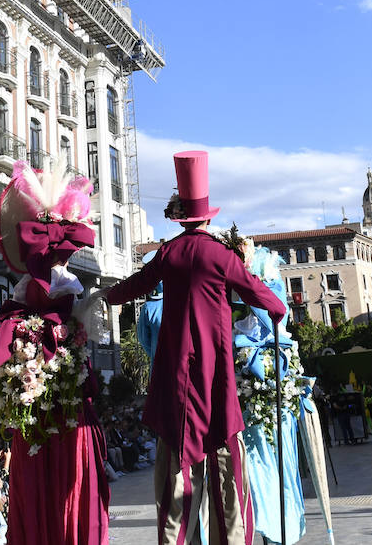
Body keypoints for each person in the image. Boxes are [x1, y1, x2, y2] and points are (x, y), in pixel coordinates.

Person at [98, 150, 286, 545]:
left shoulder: (167, 253)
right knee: (227, 479)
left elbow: (133, 286)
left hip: (174, 380)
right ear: (208, 216)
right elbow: (263, 297)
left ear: (181, 217)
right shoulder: (221, 255)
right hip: (214, 378)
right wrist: (279, 310)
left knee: (174, 481)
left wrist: (105, 296)